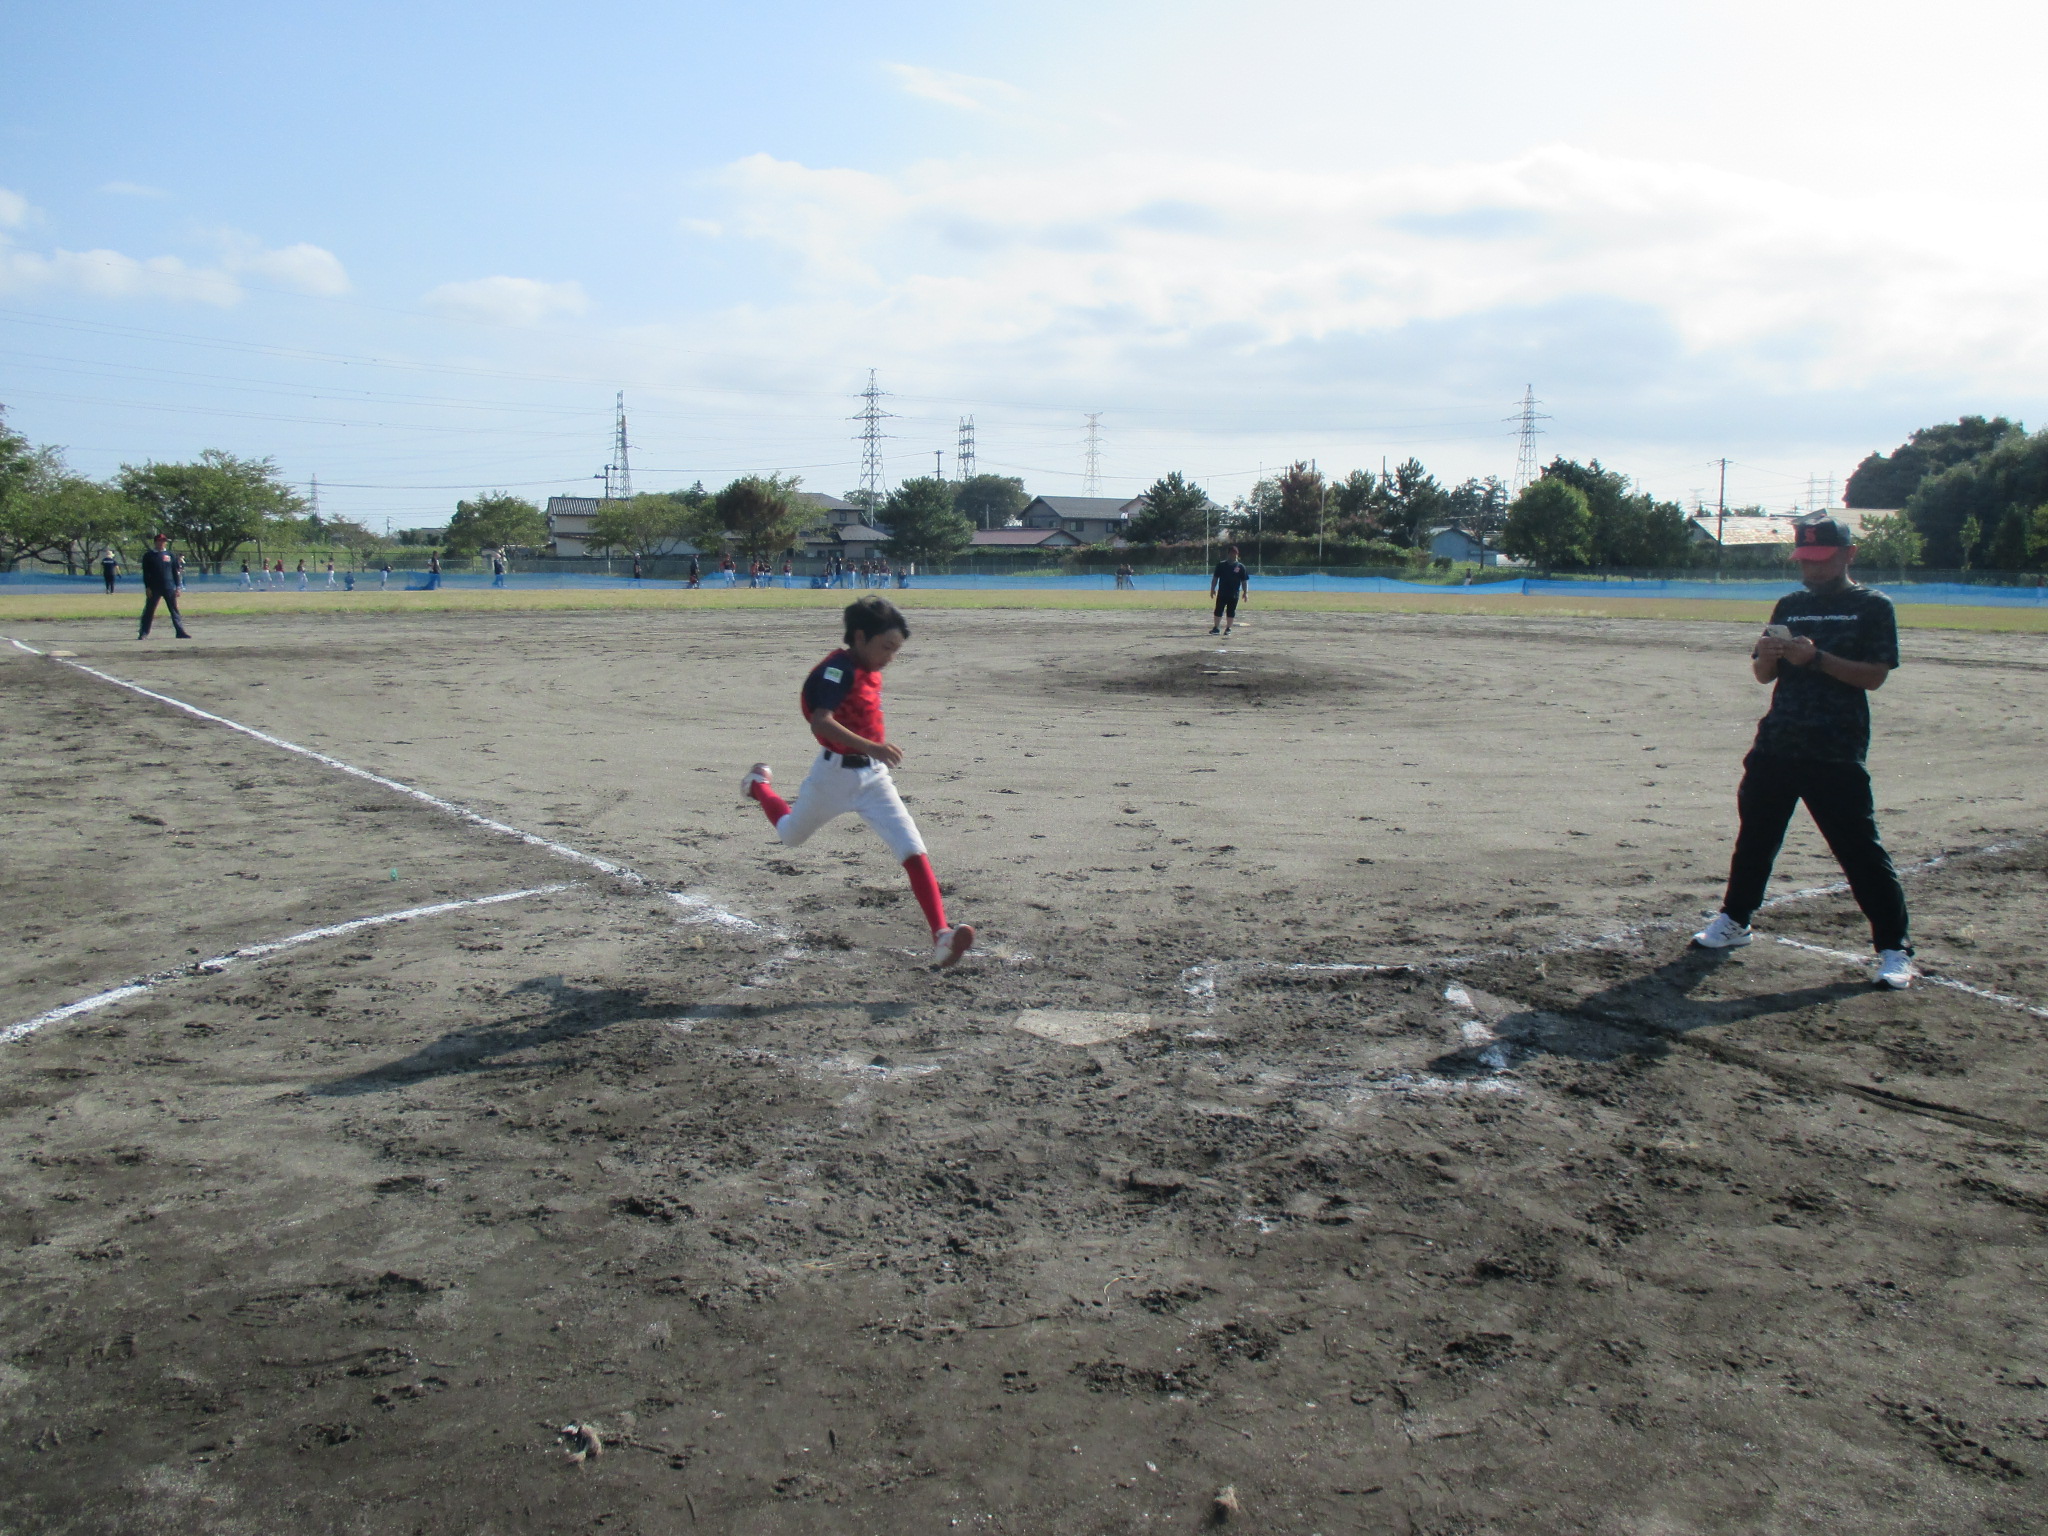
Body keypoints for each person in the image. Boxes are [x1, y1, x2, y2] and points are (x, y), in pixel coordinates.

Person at [1692, 515, 1914, 989]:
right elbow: (1763, 676)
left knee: (1859, 850)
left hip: (1835, 748)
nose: (1812, 569)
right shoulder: (1792, 604)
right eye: (1805, 560)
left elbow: (1874, 676)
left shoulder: (1872, 606)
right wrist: (1768, 655)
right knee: (1756, 840)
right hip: (1777, 742)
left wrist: (1816, 659)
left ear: (1848, 555)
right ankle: (1735, 920)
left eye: (1822, 559)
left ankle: (1894, 947)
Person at [740, 595, 975, 969]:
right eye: (886, 647)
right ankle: (758, 785)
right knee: (790, 835)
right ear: (861, 637)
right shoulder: (837, 670)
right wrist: (872, 746)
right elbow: (821, 722)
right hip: (832, 777)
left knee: (912, 849)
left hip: (874, 778)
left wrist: (873, 753)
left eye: (896, 650)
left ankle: (942, 935)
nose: (890, 657)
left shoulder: (869, 669)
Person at [137, 532, 192, 640]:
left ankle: (180, 632)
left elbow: (175, 571)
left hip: (169, 586)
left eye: (164, 541)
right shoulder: (149, 555)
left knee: (174, 610)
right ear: (155, 542)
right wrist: (147, 587)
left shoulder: (170, 555)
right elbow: (146, 573)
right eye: (160, 541)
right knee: (149, 610)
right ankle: (143, 632)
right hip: (154, 587)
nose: (162, 543)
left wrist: (178, 586)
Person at [1209, 544, 1250, 635]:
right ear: (1228, 554)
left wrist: (1245, 592)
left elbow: (1244, 581)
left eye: (1235, 553)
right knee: (1218, 610)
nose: (1234, 555)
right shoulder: (1221, 565)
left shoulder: (1241, 567)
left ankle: (1228, 628)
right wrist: (1212, 589)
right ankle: (1216, 628)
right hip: (1222, 592)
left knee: (1231, 611)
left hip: (1234, 593)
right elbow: (1215, 578)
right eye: (1232, 553)